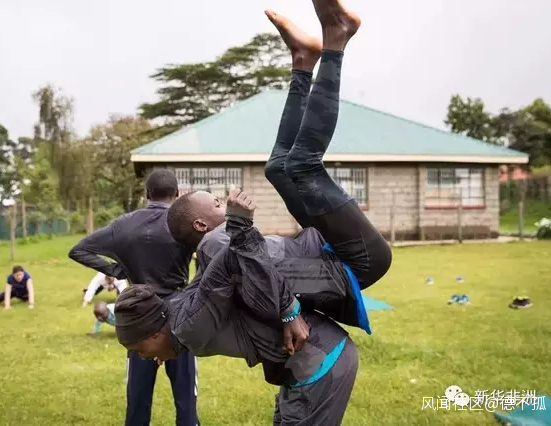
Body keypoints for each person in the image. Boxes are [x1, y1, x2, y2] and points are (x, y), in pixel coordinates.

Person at [115, 2, 393, 423]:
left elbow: (232, 282)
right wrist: (288, 311)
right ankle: (334, 42)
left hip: (341, 260)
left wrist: (287, 312)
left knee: (280, 168)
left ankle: (304, 62)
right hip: (352, 261)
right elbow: (235, 269)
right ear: (201, 224)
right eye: (215, 204)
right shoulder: (216, 244)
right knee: (298, 168)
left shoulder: (215, 256)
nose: (222, 203)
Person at [69, 169, 200, 426]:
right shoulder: (185, 224)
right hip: (179, 317)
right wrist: (195, 289)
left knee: (137, 401)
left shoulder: (124, 224)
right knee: (186, 401)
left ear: (146, 193)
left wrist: (116, 270)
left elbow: (79, 250)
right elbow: (211, 255)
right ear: (177, 193)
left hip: (139, 319)